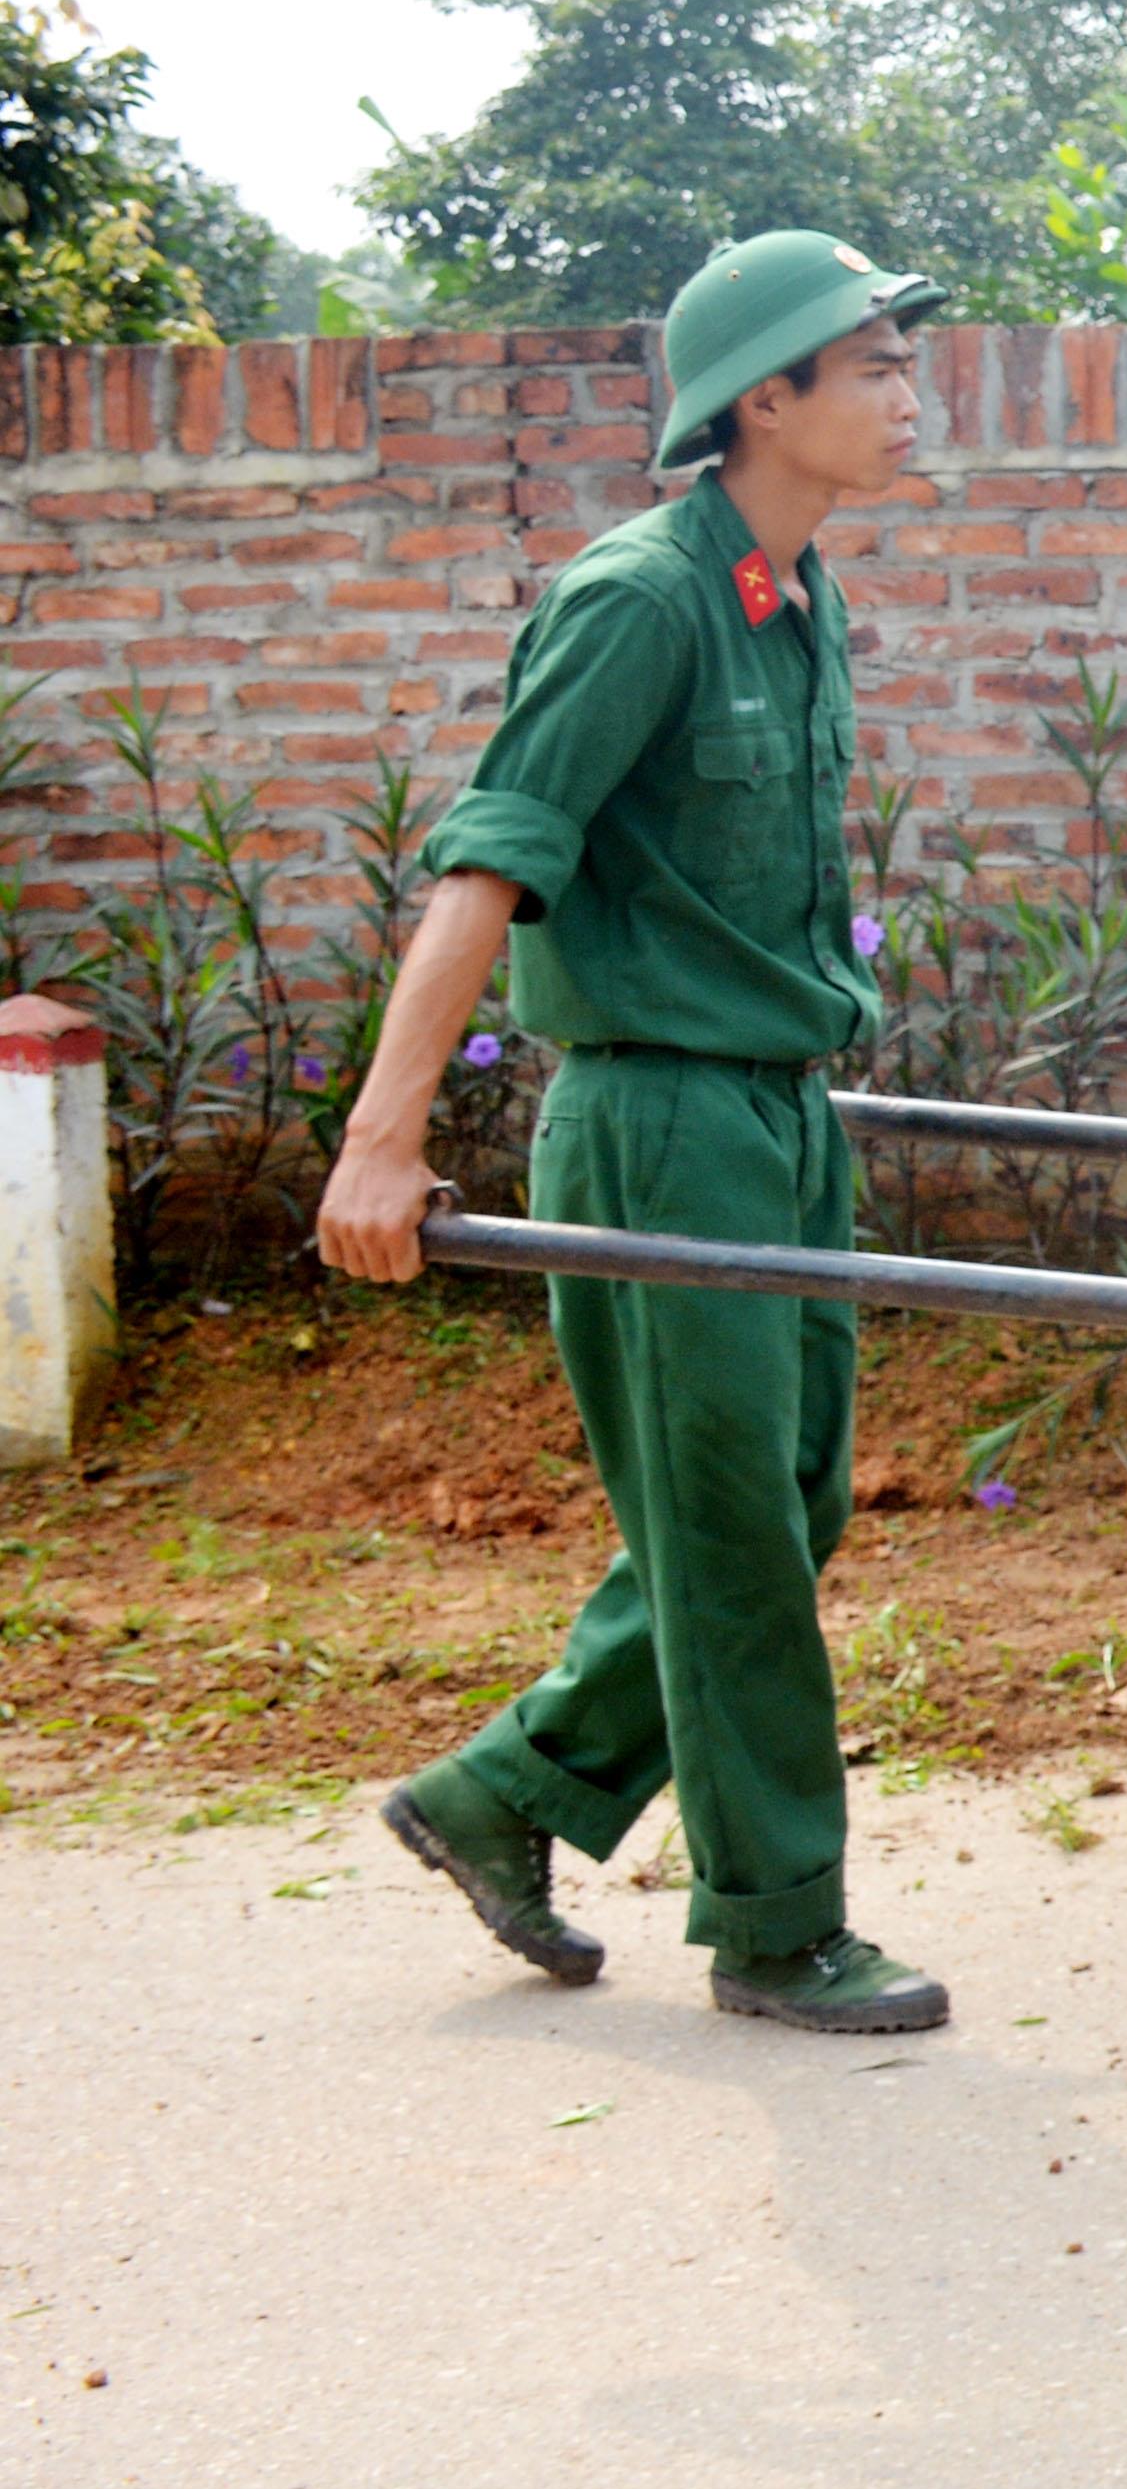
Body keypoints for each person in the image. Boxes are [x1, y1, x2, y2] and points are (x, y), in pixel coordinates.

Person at [323, 230, 959, 2032]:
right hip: (661, 1120)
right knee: (732, 1531)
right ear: (766, 399)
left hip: (776, 1109)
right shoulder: (640, 599)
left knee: (783, 1499)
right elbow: (493, 861)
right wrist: (380, 1139)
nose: (910, 396)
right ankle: (777, 1922)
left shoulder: (797, 595)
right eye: (874, 367)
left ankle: (505, 1791)